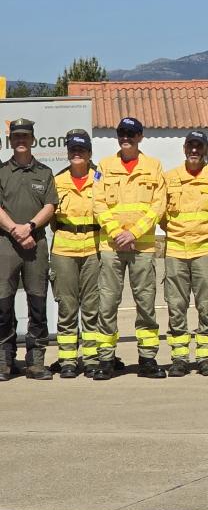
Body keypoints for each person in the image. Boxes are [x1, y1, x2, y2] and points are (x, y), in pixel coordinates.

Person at [92, 117, 167, 380]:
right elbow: (98, 203)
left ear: (140, 137)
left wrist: (133, 233)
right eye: (122, 133)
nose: (126, 138)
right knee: (107, 303)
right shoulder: (105, 166)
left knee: (145, 304)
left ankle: (147, 359)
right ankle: (105, 360)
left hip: (142, 247)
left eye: (131, 134)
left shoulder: (153, 166)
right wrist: (117, 233)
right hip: (111, 246)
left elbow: (158, 205)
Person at [0, 119, 58, 381]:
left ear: (33, 140)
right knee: (3, 304)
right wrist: (16, 230)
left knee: (37, 303)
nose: (21, 140)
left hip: (36, 244)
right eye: (16, 137)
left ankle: (35, 361)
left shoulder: (45, 172)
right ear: (10, 141)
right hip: (6, 244)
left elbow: (50, 206)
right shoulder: (1, 172)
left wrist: (30, 227)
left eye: (25, 136)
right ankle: (5, 360)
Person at [162, 131, 208, 377]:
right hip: (176, 250)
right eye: (191, 146)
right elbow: (161, 214)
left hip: (206, 250)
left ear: (206, 150)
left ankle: (206, 357)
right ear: (184, 149)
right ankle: (179, 357)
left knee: (207, 305)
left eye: (199, 146)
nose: (194, 150)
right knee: (176, 305)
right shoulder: (170, 178)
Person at [50, 129, 101, 378]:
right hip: (64, 249)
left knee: (92, 307)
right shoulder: (57, 181)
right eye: (73, 149)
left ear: (89, 153)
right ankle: (68, 359)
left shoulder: (101, 179)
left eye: (81, 149)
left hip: (93, 248)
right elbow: (52, 218)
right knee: (67, 306)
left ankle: (91, 358)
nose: (76, 153)